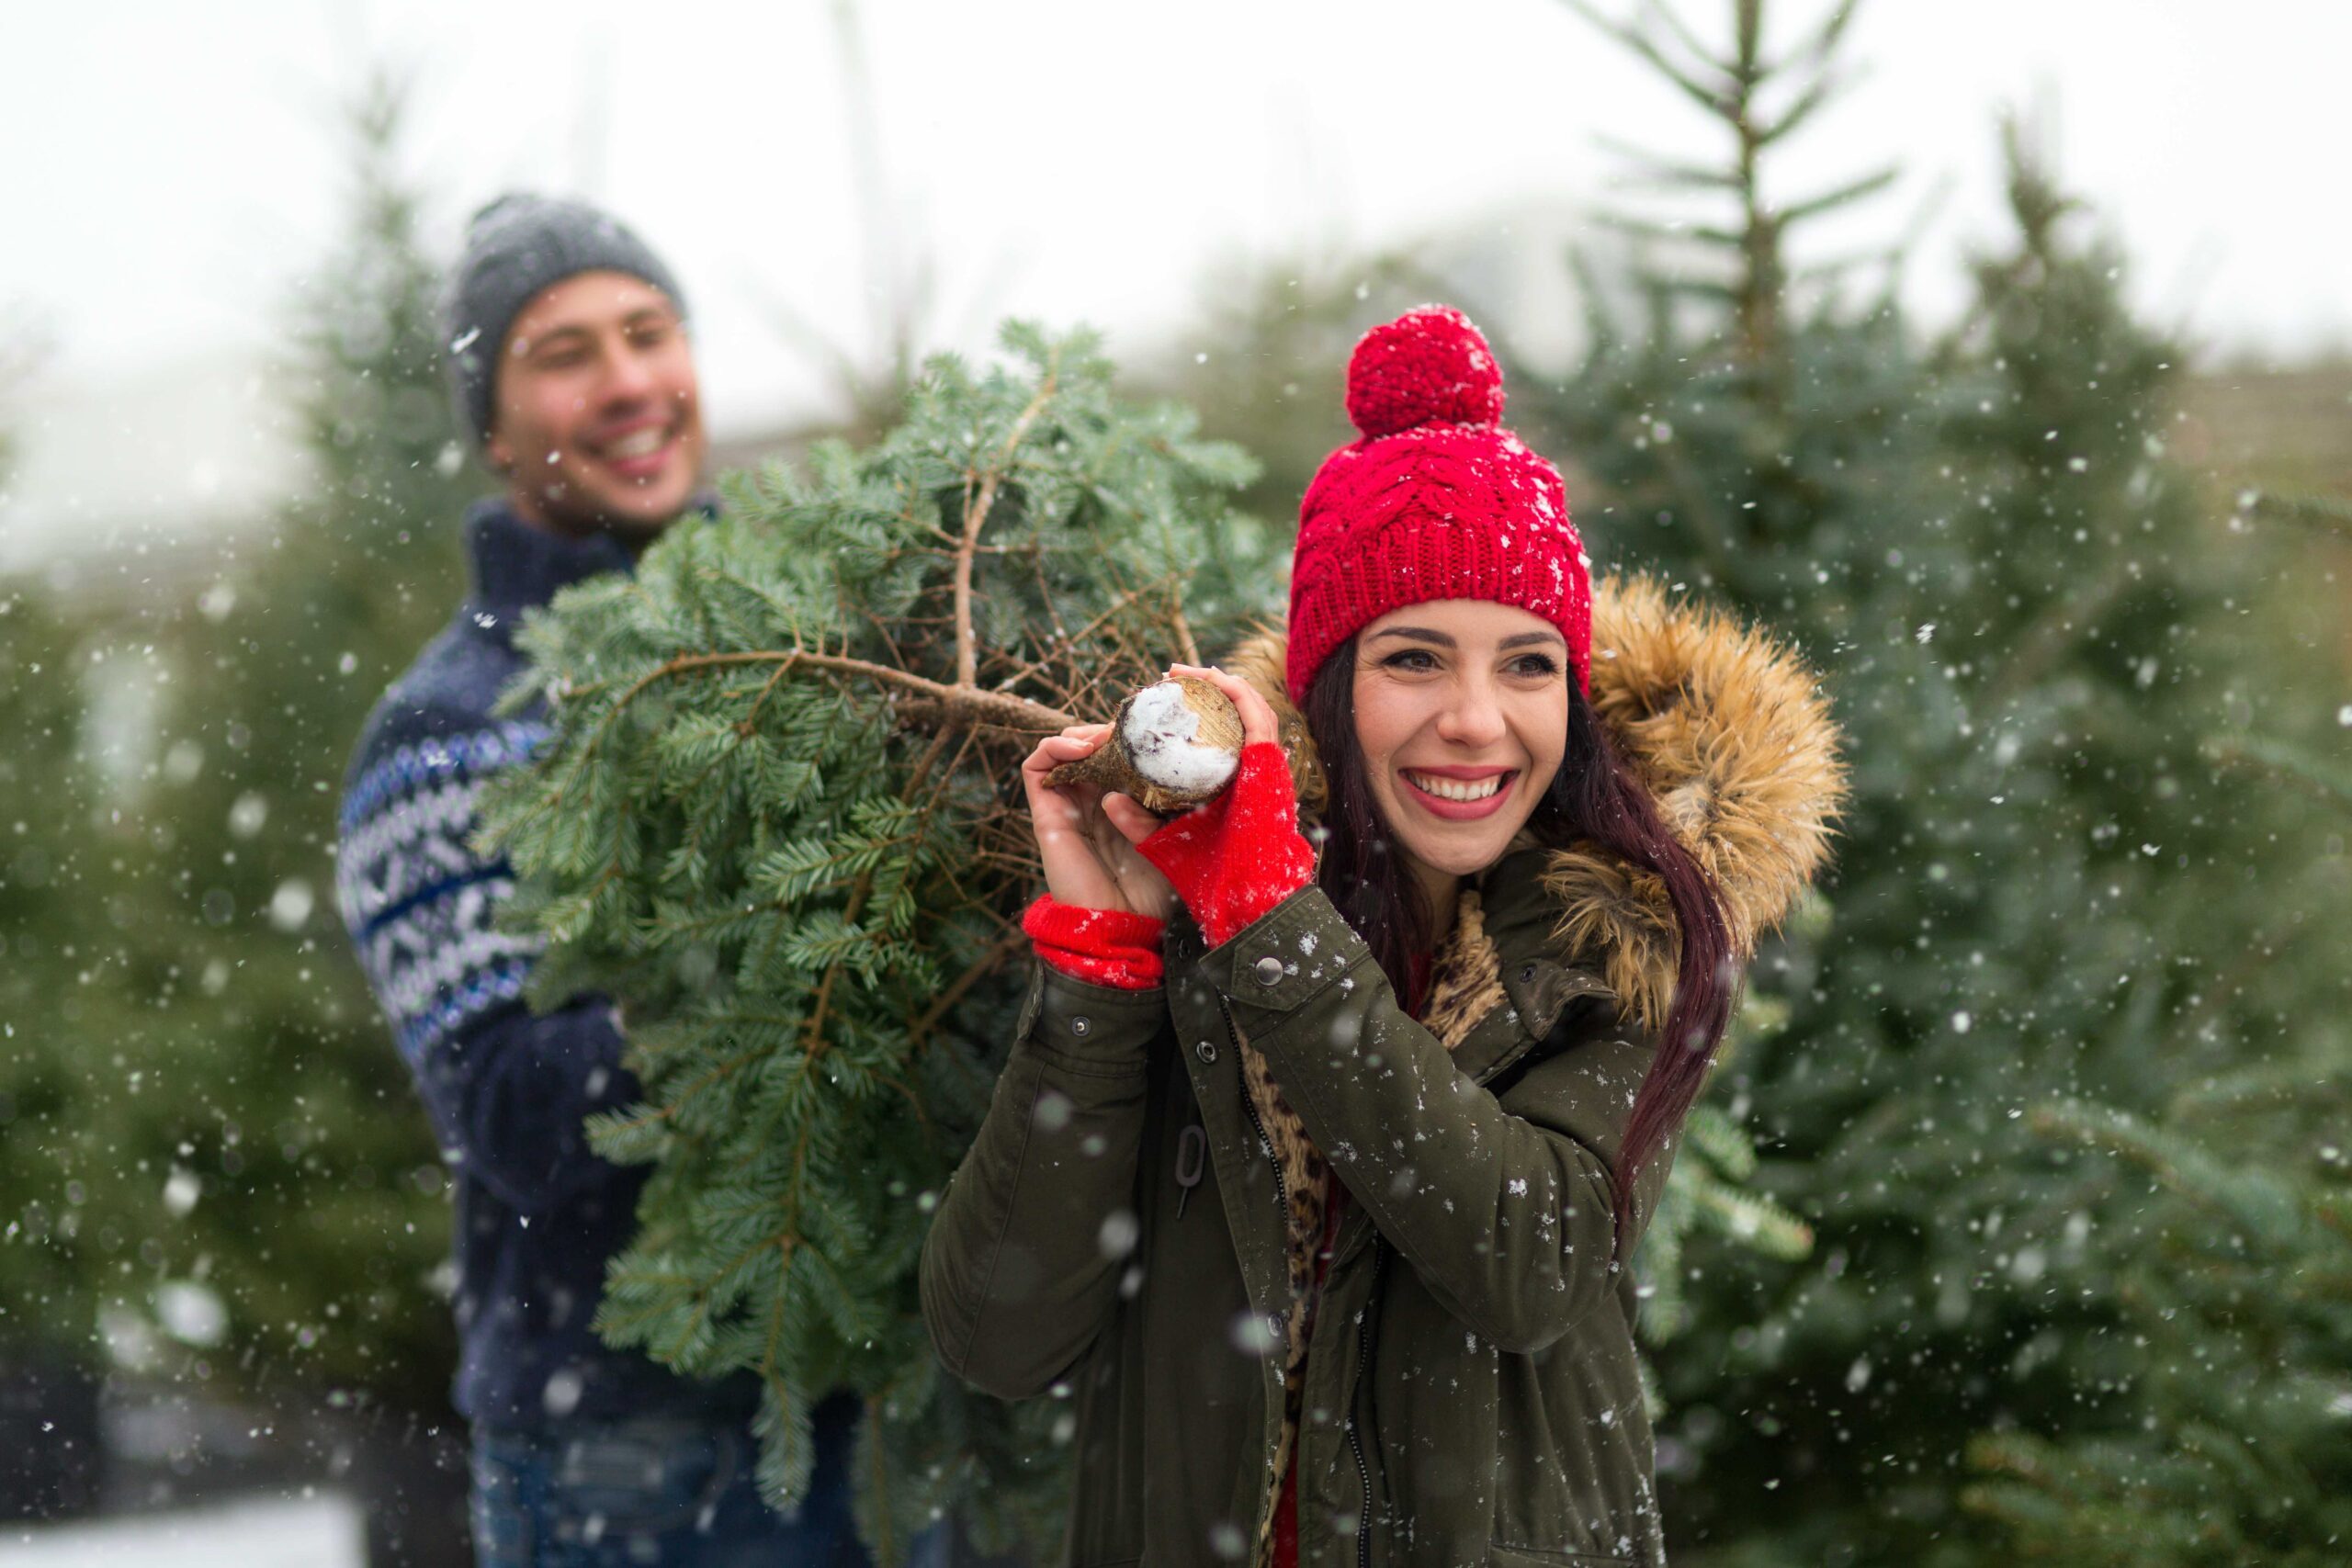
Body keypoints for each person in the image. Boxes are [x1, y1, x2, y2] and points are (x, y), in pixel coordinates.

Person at [920, 306, 1844, 1565]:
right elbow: (1000, 1337)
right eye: (1415, 659)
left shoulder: (1618, 938)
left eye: (1526, 667)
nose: (1478, 720)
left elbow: (1527, 1262)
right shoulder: (1203, 917)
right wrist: (1102, 969)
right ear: (1330, 686)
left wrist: (1272, 922)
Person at [337, 194, 888, 1567]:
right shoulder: (447, 734)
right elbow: (509, 1106)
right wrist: (773, 969)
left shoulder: (827, 647)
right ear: (494, 424)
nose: (630, 381)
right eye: (565, 351)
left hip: (891, 1396)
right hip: (637, 1450)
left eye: (650, 332)